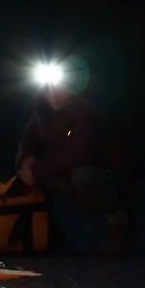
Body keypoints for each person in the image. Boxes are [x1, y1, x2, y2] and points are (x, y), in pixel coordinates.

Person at [15, 76, 135, 255]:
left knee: (82, 176)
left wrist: (35, 170)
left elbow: (80, 156)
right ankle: (55, 230)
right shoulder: (43, 113)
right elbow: (27, 140)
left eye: (60, 87)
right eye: (48, 89)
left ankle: (118, 220)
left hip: (107, 173)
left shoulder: (85, 110)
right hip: (68, 171)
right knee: (47, 180)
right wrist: (26, 161)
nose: (54, 94)